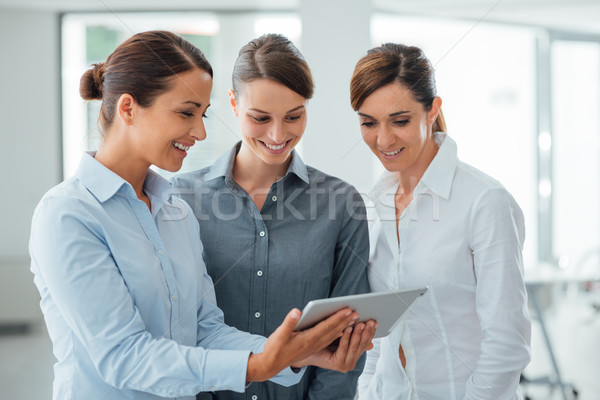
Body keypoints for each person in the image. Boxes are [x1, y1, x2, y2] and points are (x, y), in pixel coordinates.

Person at [28, 30, 376, 400]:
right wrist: (258, 366)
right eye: (186, 113)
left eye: (202, 113)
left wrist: (298, 354)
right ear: (128, 108)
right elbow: (123, 357)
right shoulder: (68, 214)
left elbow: (204, 328)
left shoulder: (174, 210)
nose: (201, 131)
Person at [171, 33, 371, 400]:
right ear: (233, 104)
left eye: (293, 116)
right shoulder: (178, 198)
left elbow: (346, 339)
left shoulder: (342, 204)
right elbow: (176, 330)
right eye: (260, 118)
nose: (278, 135)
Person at [350, 43, 531, 399]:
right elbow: (378, 336)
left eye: (400, 121)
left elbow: (507, 343)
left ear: (433, 110)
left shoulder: (484, 201)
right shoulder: (376, 206)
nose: (383, 139)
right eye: (369, 123)